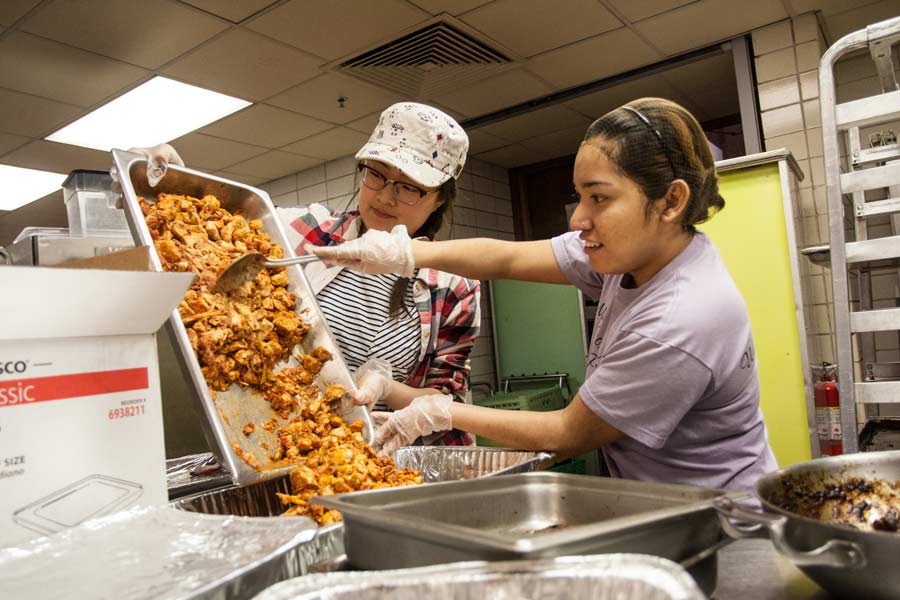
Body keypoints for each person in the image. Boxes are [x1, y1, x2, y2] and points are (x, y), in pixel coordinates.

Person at [309, 97, 779, 492]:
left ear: (671, 202)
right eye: (579, 197)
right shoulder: (631, 254)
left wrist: (442, 411)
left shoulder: (682, 319)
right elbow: (507, 258)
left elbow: (568, 433)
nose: (578, 220)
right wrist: (407, 255)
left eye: (600, 198)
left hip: (723, 517)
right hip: (665, 496)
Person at [128, 102, 480, 448]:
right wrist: (167, 183)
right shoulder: (303, 232)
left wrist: (387, 387)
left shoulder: (453, 286)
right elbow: (208, 236)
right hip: (281, 438)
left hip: (388, 454)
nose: (386, 196)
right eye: (377, 173)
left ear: (439, 200)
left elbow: (446, 402)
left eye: (409, 187)